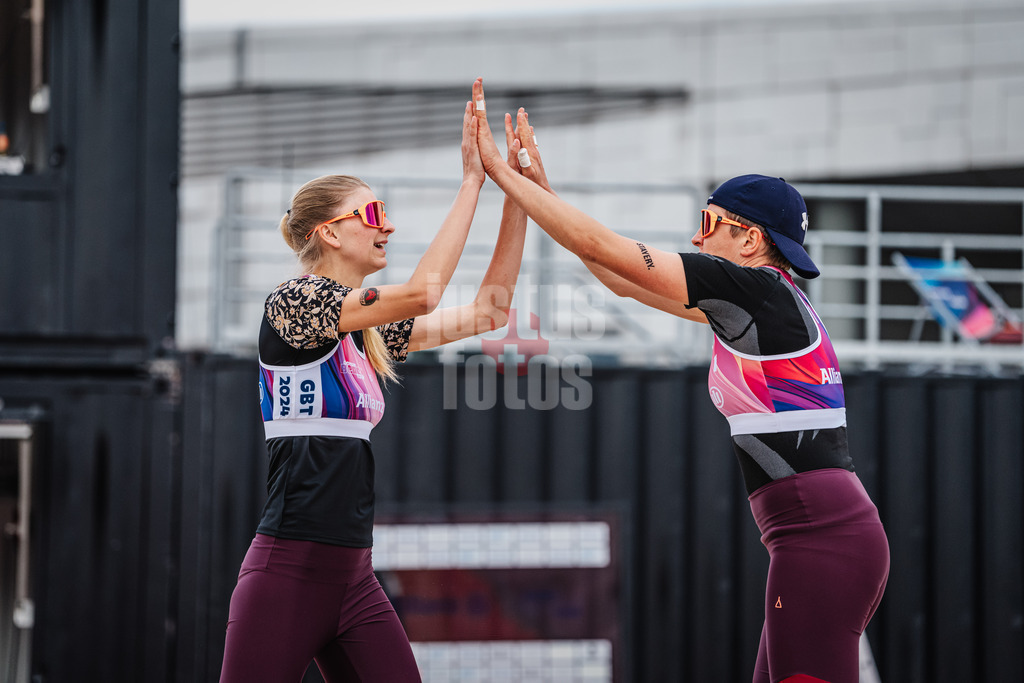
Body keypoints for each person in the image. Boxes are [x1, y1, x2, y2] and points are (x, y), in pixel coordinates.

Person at [471, 78, 889, 683]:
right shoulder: (756, 300)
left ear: (750, 238)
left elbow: (607, 247)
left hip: (819, 535)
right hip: (819, 534)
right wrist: (537, 186)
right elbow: (617, 276)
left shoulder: (755, 290)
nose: (696, 236)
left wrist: (496, 174)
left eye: (708, 220)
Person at [220, 83, 536, 683]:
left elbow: (489, 312)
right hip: (286, 574)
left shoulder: (369, 334)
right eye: (372, 214)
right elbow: (422, 294)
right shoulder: (295, 302)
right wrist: (472, 180)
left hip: (353, 579)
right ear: (330, 233)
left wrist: (516, 194)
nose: (386, 226)